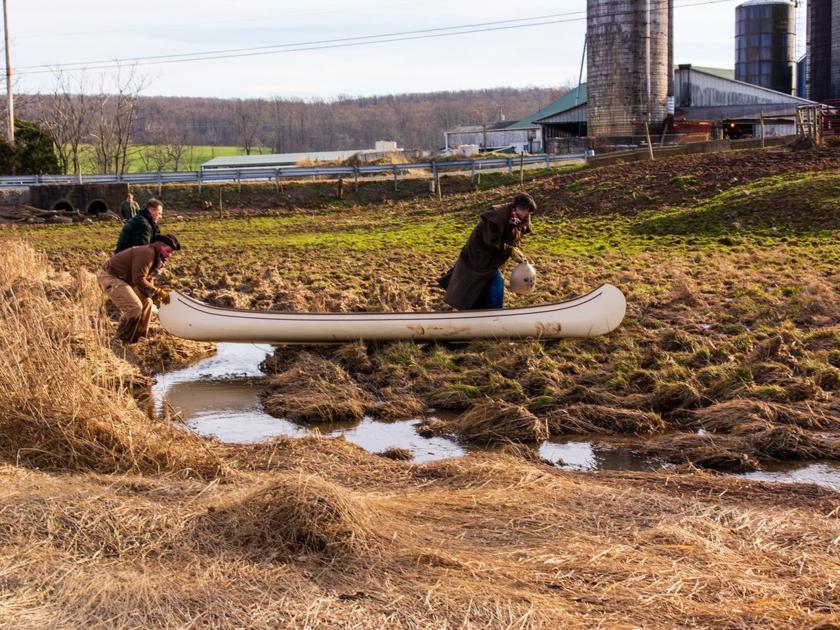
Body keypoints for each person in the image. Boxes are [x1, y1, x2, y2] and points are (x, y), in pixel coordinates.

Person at [438, 192, 537, 310]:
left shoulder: (521, 218)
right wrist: (510, 250)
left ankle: (483, 312)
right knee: (495, 282)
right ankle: (495, 314)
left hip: (493, 258)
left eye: (529, 211)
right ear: (517, 207)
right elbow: (491, 241)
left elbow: (514, 238)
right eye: (526, 210)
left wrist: (518, 253)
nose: (527, 214)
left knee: (486, 285)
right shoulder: (497, 215)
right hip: (478, 256)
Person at [97, 234, 180, 343]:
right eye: (168, 251)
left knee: (148, 303)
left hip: (125, 279)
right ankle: (120, 340)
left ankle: (138, 337)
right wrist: (157, 291)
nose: (169, 255)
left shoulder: (156, 257)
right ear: (160, 245)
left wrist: (153, 295)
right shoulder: (147, 253)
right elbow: (139, 279)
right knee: (134, 307)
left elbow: (147, 278)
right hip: (111, 277)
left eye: (171, 253)